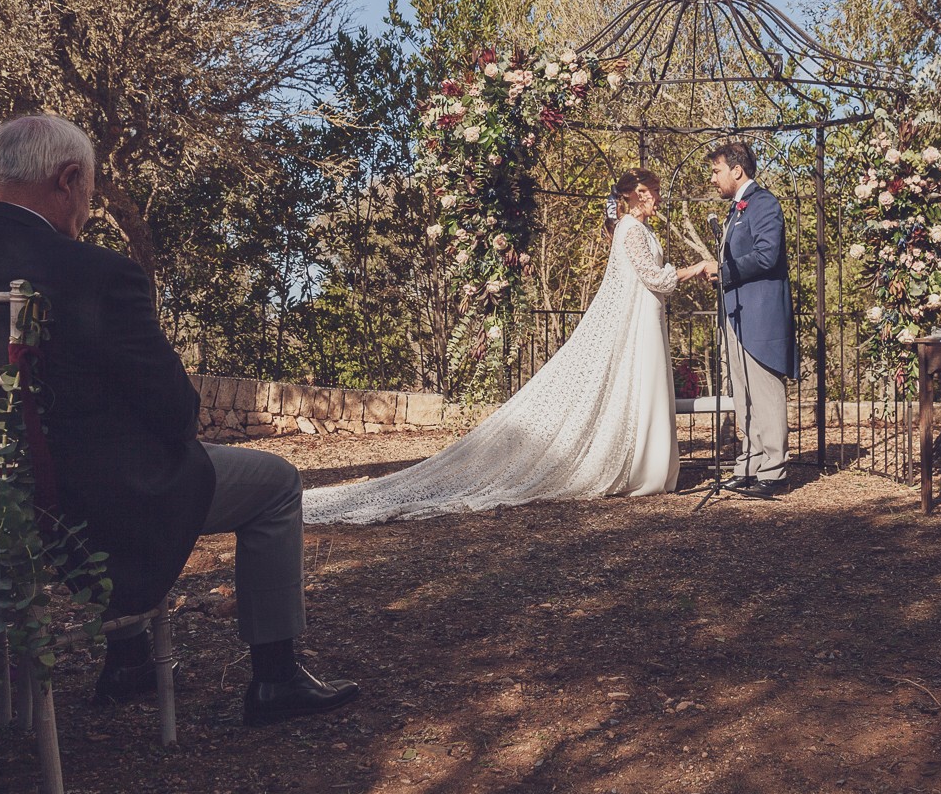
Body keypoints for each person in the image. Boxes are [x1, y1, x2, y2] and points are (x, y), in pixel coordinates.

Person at [0, 115, 357, 726]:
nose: (87, 208)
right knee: (272, 482)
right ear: (67, 179)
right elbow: (175, 412)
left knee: (95, 451)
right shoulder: (95, 274)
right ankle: (275, 678)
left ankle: (130, 658)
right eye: (87, 191)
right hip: (77, 507)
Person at [302, 169, 710, 523]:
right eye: (654, 191)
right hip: (636, 325)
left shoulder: (639, 229)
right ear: (640, 194)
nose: (659, 198)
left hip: (645, 323)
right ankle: (641, 469)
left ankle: (645, 466)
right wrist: (697, 268)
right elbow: (655, 280)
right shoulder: (630, 229)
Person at [704, 139, 797, 499]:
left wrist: (724, 270)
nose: (713, 179)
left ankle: (774, 471)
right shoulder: (736, 210)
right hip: (737, 314)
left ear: (737, 170)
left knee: (765, 395)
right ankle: (750, 463)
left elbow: (767, 255)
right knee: (743, 396)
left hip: (762, 317)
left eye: (716, 171)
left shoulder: (764, 204)